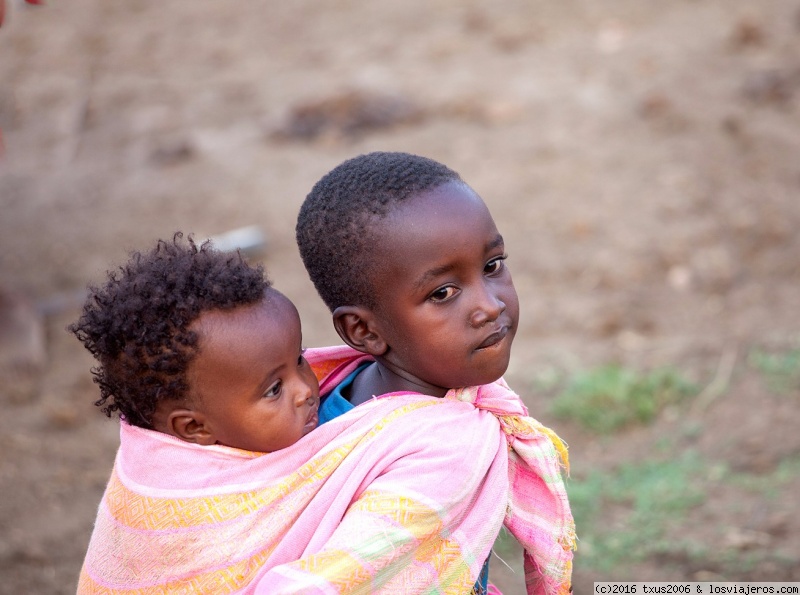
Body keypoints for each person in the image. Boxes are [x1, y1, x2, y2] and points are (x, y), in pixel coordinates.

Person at [72, 234, 568, 594]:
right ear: (194, 429)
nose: (308, 389)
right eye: (273, 388)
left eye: (299, 361)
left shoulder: (342, 424)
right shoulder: (165, 492)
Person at [296, 151, 576, 594]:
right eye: (443, 292)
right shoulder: (444, 452)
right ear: (364, 330)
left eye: (492, 266)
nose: (489, 305)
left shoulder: (341, 395)